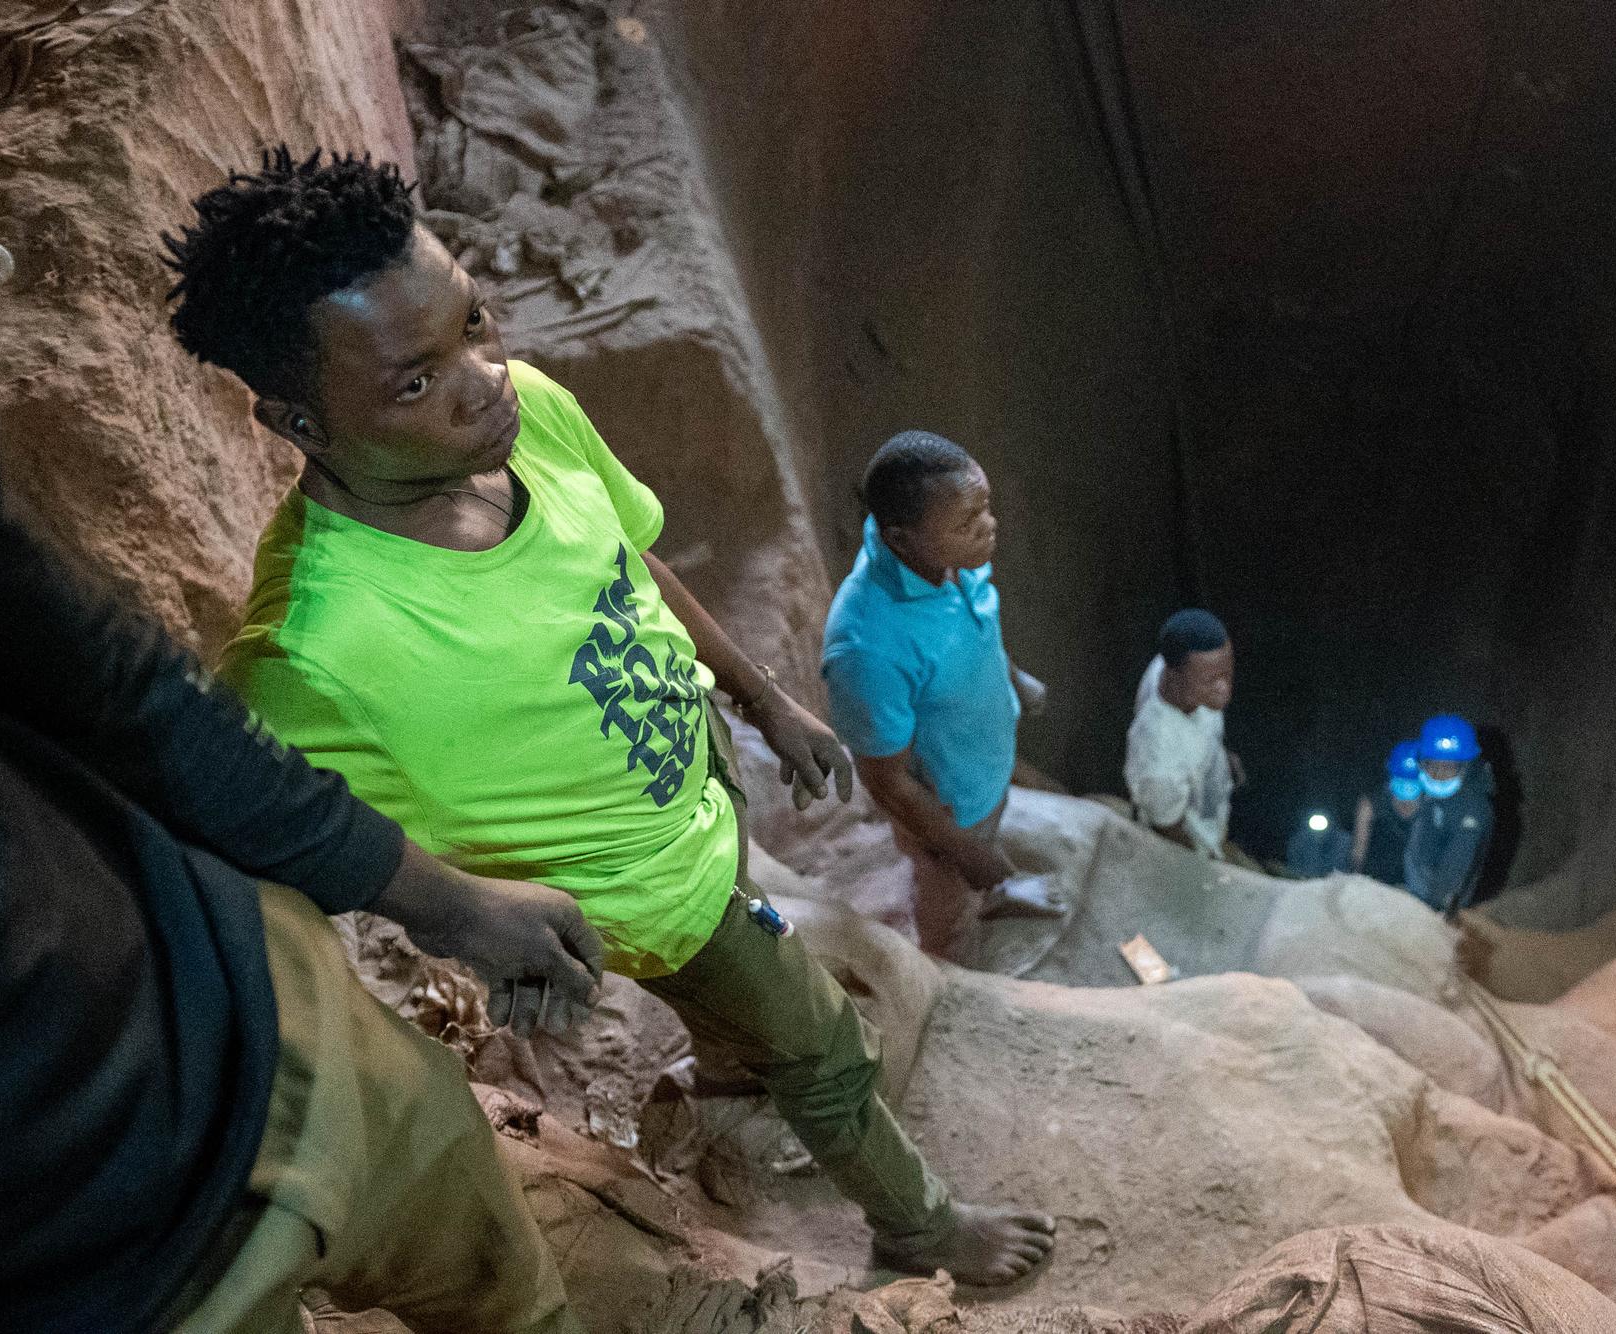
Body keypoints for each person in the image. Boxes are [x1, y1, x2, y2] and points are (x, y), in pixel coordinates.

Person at [174, 148, 1054, 1285]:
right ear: (297, 418)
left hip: (699, 786)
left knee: (751, 963)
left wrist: (759, 697)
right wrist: (453, 914)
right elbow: (263, 854)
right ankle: (919, 1224)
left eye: (474, 324)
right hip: (649, 900)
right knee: (825, 1042)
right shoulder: (317, 652)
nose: (483, 378)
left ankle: (732, 1057)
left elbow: (627, 557)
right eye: (412, 382)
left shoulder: (528, 414)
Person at [0, 368, 604, 1333]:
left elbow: (100, 673)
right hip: (104, 1286)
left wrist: (446, 902)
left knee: (514, 1287)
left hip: (256, 1005)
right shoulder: (310, 637)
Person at [822, 430, 1062, 959]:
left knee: (987, 840)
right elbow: (887, 781)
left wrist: (1013, 680)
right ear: (902, 540)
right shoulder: (867, 645)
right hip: (947, 815)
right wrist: (976, 860)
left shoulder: (949, 556)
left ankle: (988, 893)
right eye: (968, 522)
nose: (990, 527)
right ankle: (948, 970)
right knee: (946, 906)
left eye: (986, 508)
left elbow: (972, 627)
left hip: (981, 770)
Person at [1124, 609, 1242, 859]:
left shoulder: (1184, 674)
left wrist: (1222, 758)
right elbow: (1168, 826)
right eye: (1212, 680)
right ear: (1174, 676)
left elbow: (1203, 730)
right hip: (1193, 832)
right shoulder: (1157, 760)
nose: (1225, 690)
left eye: (1227, 673)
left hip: (1209, 794)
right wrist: (1203, 857)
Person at [1404, 714, 1495, 915]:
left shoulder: (1473, 808)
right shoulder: (1427, 792)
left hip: (1451, 895)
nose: (1438, 775)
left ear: (1466, 767)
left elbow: (1457, 866)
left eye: (1448, 767)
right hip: (1419, 880)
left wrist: (1432, 909)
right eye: (1432, 765)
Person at [1349, 739, 1420, 886]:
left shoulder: (1433, 808)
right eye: (1401, 778)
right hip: (1375, 883)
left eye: (1412, 780)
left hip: (1415, 888)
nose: (1406, 786)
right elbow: (1359, 849)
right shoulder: (1371, 804)